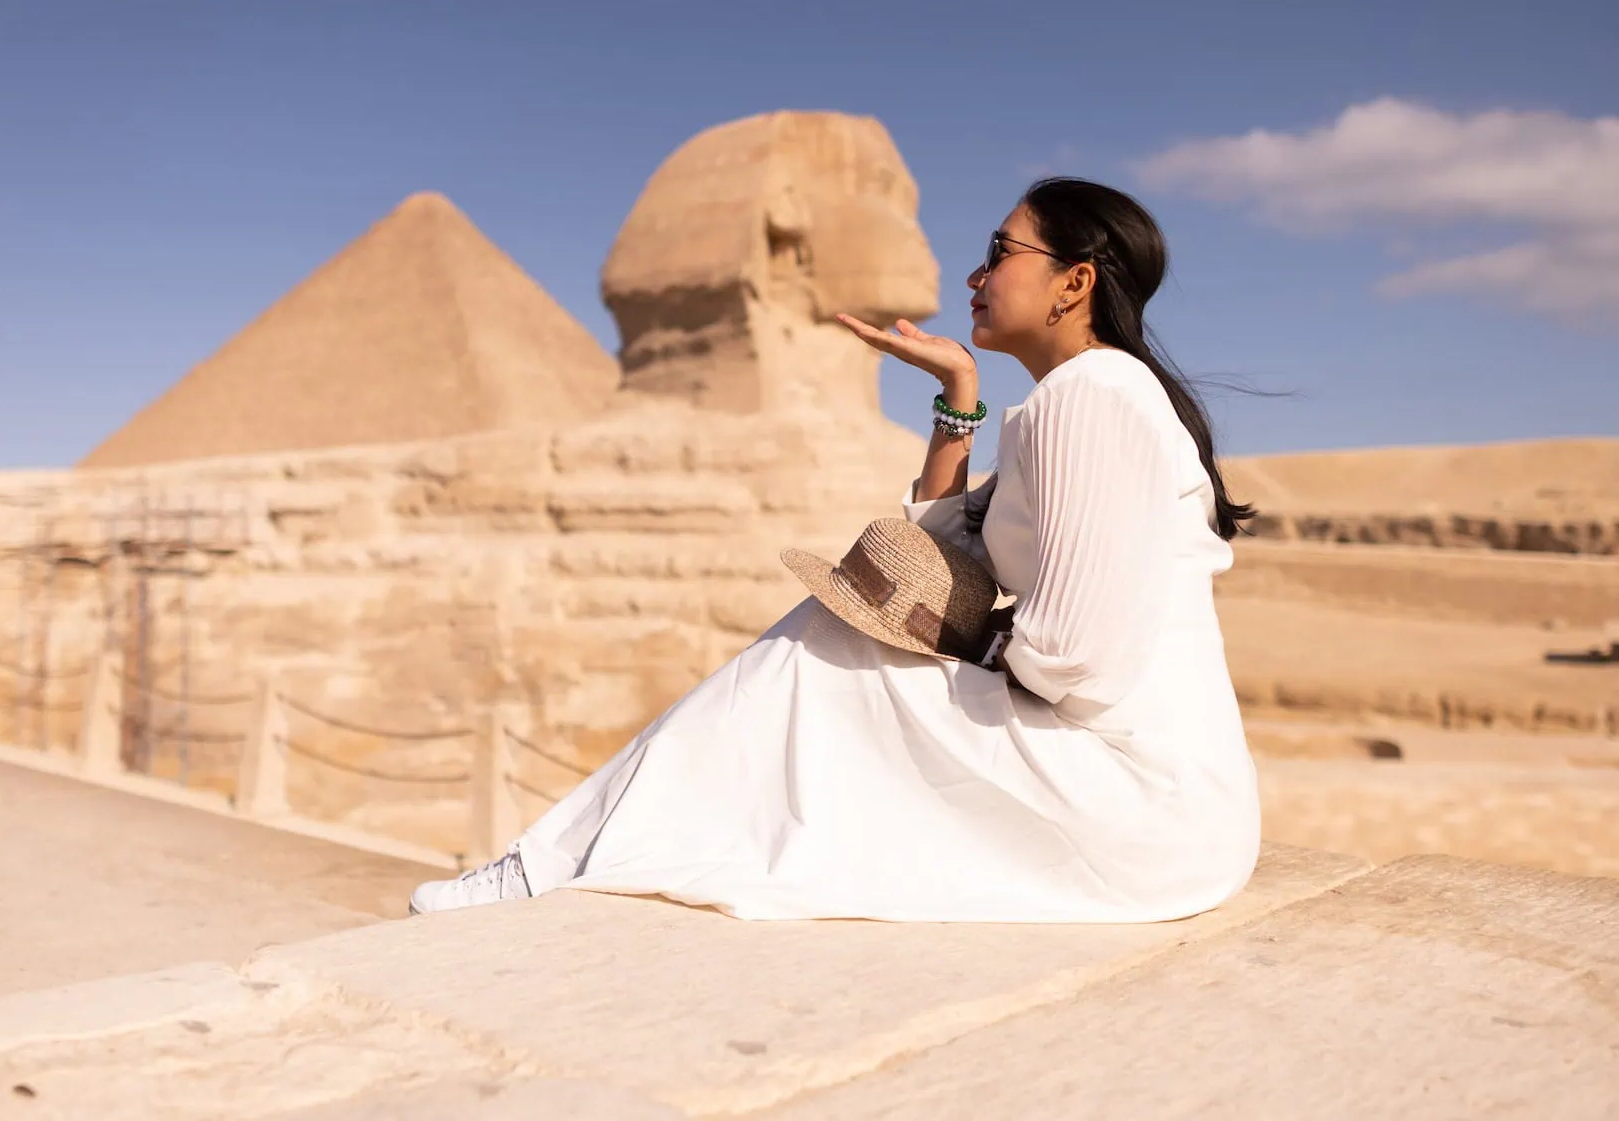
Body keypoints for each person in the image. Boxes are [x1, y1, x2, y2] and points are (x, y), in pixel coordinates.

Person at [410, 178, 1261, 922]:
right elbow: (932, 554)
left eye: (999, 251)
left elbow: (1073, 659)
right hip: (1144, 793)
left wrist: (952, 647)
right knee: (834, 639)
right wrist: (956, 397)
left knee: (827, 645)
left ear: (1073, 281)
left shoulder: (1096, 397)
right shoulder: (1070, 404)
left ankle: (549, 863)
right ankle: (561, 857)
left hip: (1140, 801)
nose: (973, 273)